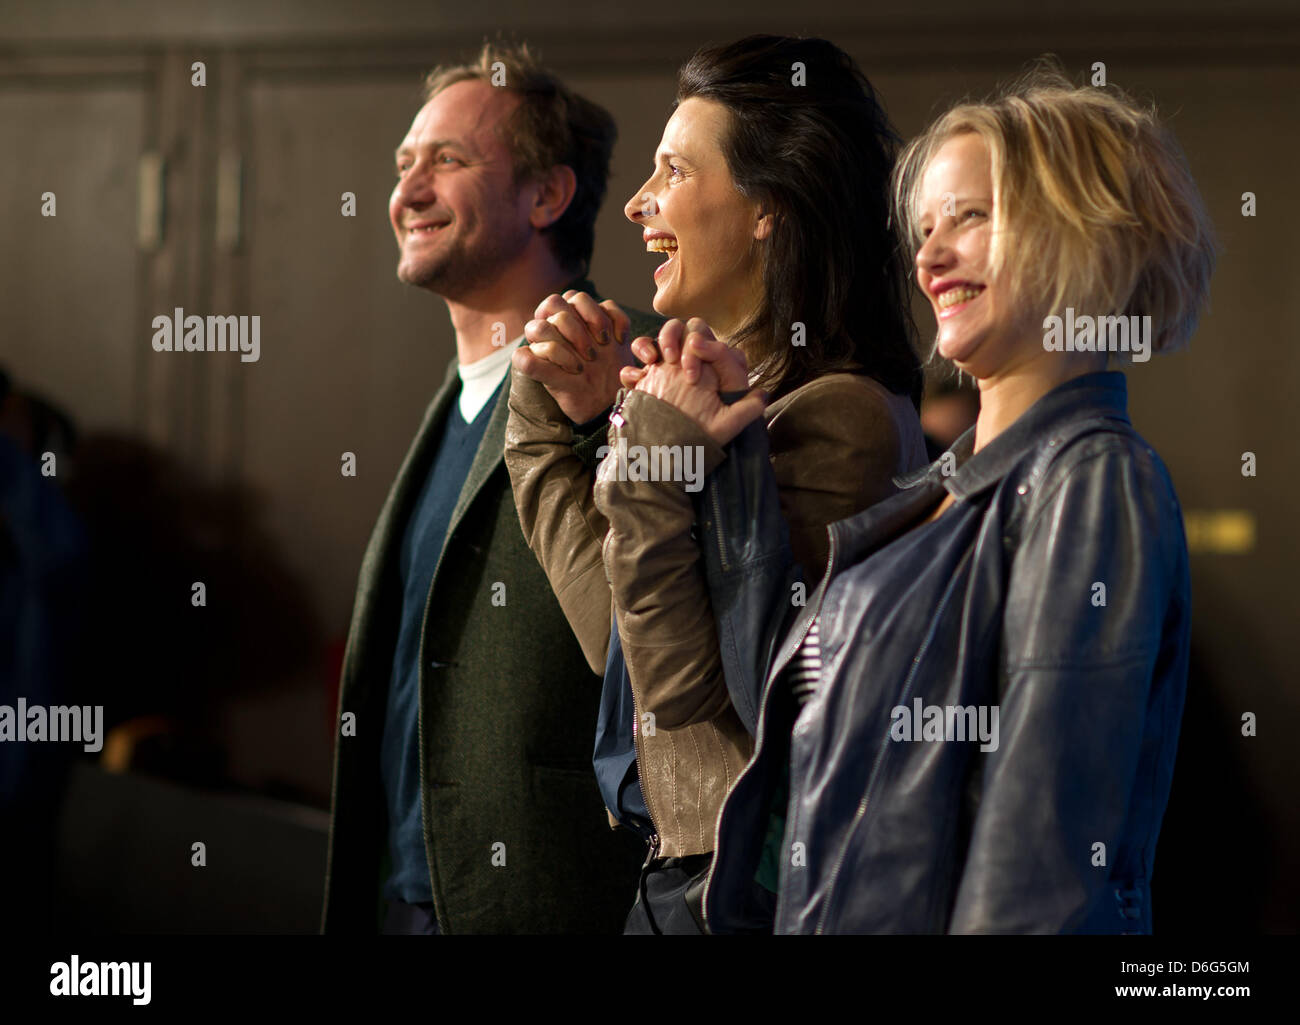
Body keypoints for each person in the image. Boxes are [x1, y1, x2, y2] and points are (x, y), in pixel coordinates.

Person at [651, 64, 1216, 933]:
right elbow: (750, 705)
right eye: (924, 227)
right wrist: (727, 459)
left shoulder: (1091, 476)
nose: (930, 255)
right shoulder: (935, 493)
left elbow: (1043, 866)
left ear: (1082, 230)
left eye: (971, 217)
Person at [504, 34, 926, 933]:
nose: (640, 205)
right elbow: (616, 634)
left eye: (673, 171)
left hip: (734, 891)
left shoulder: (843, 413)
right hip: (674, 873)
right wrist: (555, 422)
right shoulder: (732, 395)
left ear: (768, 206)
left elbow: (692, 688)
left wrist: (651, 449)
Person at [321, 42, 658, 935]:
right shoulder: (451, 402)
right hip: (403, 892)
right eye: (403, 165)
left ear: (547, 195)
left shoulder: (633, 368)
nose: (408, 191)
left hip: (539, 900)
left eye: (448, 160)